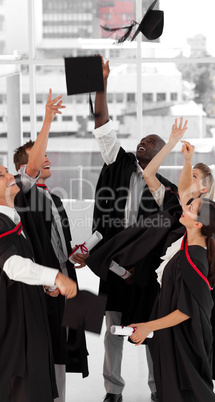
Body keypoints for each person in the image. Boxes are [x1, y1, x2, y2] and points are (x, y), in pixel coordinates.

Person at [86, 117, 215, 401]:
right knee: (129, 332)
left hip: (168, 288)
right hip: (151, 277)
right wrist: (182, 154)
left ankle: (160, 389)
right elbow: (160, 180)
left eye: (195, 178)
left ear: (204, 191)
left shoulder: (200, 227)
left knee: (173, 349)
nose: (187, 180)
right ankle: (128, 390)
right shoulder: (176, 206)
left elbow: (189, 307)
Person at [91, 56, 180, 402]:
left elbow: (166, 234)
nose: (142, 143)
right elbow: (102, 123)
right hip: (114, 263)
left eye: (150, 142)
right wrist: (102, 83)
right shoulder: (119, 162)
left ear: (160, 153)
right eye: (141, 140)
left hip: (144, 272)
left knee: (148, 329)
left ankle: (158, 390)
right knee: (111, 331)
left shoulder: (166, 192)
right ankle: (113, 391)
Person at [13, 90, 89, 402]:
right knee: (47, 345)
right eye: (39, 153)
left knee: (65, 344)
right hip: (45, 285)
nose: (46, 157)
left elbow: (57, 240)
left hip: (64, 279)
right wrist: (46, 120)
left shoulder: (53, 198)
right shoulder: (23, 195)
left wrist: (74, 255)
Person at [0, 164, 78, 402]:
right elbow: (12, 265)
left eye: (7, 171)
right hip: (13, 329)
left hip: (30, 320)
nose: (11, 176)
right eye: (1, 175)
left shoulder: (13, 220)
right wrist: (54, 276)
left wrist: (45, 284)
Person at [129, 197, 215, 402]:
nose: (184, 208)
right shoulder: (186, 247)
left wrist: (148, 327)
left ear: (198, 224)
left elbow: (186, 311)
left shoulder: (193, 258)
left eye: (191, 208)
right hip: (176, 336)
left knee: (186, 392)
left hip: (184, 340)